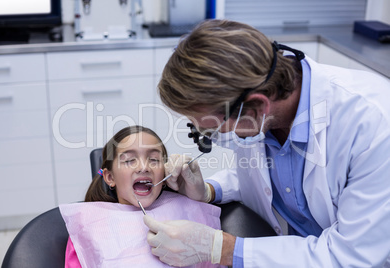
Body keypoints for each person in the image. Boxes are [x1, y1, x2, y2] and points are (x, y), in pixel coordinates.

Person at [143, 19, 390, 267]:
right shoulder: (261, 119)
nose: (212, 137)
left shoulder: (374, 126)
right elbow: (268, 177)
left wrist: (223, 248)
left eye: (212, 129)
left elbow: (351, 257)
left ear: (257, 106)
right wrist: (209, 190)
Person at [60, 125, 225, 268]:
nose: (144, 167)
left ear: (166, 171)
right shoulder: (88, 227)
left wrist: (201, 194)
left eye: (154, 159)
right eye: (130, 160)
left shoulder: (188, 209)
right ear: (110, 177)